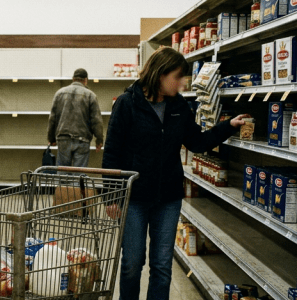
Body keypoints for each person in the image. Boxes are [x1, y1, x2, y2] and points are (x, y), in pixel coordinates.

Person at [102, 47, 248, 300]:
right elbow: (112, 151)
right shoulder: (127, 103)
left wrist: (228, 126)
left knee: (162, 266)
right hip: (134, 197)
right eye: (178, 77)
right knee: (131, 264)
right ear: (161, 74)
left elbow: (198, 142)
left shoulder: (179, 106)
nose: (182, 83)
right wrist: (110, 194)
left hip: (168, 198)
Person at [47, 68, 104, 172]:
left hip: (63, 139)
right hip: (83, 140)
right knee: (79, 175)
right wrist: (99, 140)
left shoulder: (59, 93)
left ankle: (63, 188)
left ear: (73, 79)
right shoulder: (90, 95)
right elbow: (96, 120)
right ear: (86, 80)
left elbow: (52, 118)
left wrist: (51, 138)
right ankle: (77, 188)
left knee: (62, 174)